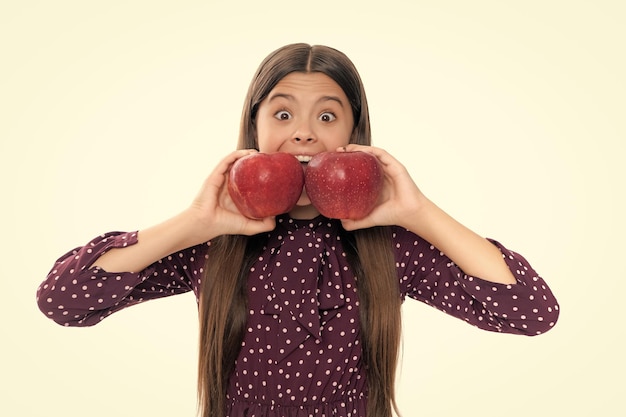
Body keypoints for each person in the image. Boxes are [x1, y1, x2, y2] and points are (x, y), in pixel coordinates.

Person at [36, 43, 560, 417]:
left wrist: (419, 211)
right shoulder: (214, 242)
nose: (304, 131)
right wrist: (193, 222)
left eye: (327, 117)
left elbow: (533, 313)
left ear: (354, 135)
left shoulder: (388, 246)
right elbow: (63, 301)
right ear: (255, 128)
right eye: (282, 113)